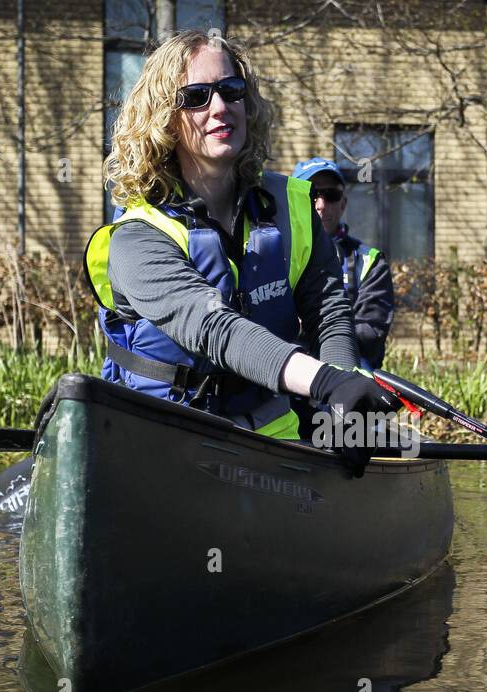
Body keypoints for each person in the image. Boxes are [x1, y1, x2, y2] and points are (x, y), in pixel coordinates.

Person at [82, 31, 399, 473]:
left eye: (231, 91)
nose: (219, 107)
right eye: (195, 96)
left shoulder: (293, 205)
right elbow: (214, 327)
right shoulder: (135, 238)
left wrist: (342, 403)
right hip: (162, 438)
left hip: (270, 439)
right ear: (165, 119)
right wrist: (325, 382)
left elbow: (327, 309)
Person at [291, 157, 395, 371]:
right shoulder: (272, 253)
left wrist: (305, 330)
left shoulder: (370, 261)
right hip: (287, 375)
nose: (321, 205)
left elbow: (370, 334)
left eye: (331, 195)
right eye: (311, 195)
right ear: (292, 201)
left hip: (347, 374)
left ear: (343, 203)